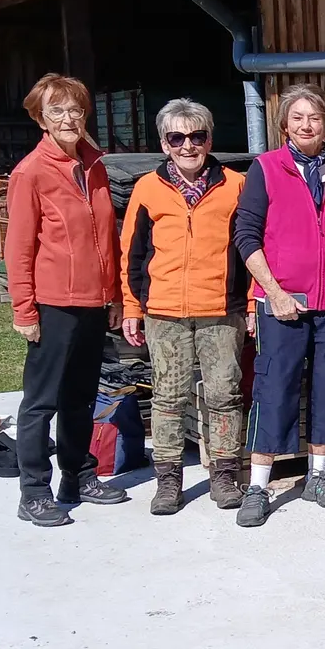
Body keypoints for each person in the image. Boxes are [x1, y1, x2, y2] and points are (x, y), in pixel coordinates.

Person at [231, 83, 325, 528]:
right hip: (282, 301)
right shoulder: (266, 168)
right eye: (298, 117)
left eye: (315, 118)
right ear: (284, 124)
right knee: (274, 387)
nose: (307, 125)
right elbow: (246, 235)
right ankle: (258, 485)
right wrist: (274, 292)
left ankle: (318, 476)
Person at [4, 73, 128, 528]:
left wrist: (114, 296)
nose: (68, 118)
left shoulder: (95, 166)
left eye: (75, 109)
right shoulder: (31, 173)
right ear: (41, 119)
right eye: (56, 111)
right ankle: (34, 491)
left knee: (81, 396)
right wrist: (24, 309)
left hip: (94, 302)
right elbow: (18, 248)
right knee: (41, 403)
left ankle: (78, 476)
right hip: (54, 303)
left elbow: (107, 238)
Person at [120, 98, 250, 517]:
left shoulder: (235, 185)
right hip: (164, 310)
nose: (187, 145)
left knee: (225, 393)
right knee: (168, 397)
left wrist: (250, 303)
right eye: (177, 138)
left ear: (209, 140)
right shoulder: (147, 188)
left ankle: (225, 475)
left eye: (197, 136)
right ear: (164, 143)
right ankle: (168, 480)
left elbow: (250, 248)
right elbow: (131, 252)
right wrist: (131, 307)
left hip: (221, 308)